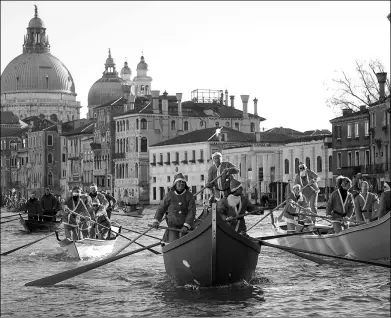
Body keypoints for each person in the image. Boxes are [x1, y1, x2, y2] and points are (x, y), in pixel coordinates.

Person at [152, 173, 196, 243]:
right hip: (173, 226)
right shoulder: (169, 195)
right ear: (175, 184)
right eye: (179, 182)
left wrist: (186, 226)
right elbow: (161, 208)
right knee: (173, 242)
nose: (181, 183)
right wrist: (156, 221)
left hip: (186, 227)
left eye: (183, 182)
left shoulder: (190, 196)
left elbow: (191, 212)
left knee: (187, 241)